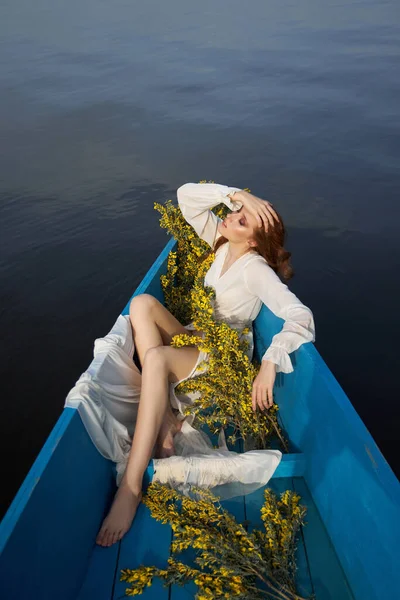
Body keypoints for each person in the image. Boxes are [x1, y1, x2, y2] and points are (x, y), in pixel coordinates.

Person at [96, 182, 315, 547]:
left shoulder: (255, 269)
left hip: (221, 353)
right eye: (235, 214)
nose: (231, 218)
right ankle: (165, 417)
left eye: (242, 222)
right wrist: (241, 196)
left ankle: (131, 488)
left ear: (255, 243)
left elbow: (301, 316)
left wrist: (270, 362)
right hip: (199, 335)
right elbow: (186, 198)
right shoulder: (225, 242)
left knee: (155, 357)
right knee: (141, 305)